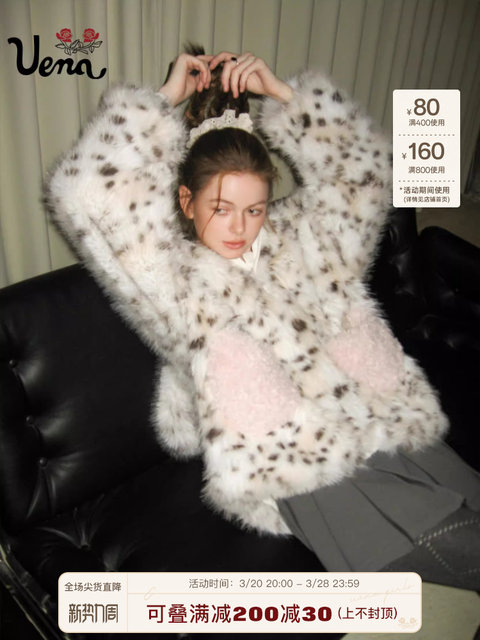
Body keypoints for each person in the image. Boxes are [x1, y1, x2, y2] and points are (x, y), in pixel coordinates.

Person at [44, 47, 480, 589]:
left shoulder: (303, 238)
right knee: (457, 555)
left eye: (254, 209)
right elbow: (86, 197)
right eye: (221, 208)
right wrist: (162, 101)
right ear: (187, 201)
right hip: (299, 466)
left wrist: (287, 98)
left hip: (381, 417)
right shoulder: (173, 284)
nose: (239, 228)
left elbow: (365, 179)